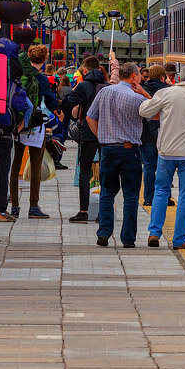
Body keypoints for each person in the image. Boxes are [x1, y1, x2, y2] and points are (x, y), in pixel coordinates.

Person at [139, 64, 185, 250]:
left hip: (166, 152)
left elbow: (144, 111)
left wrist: (152, 101)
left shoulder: (166, 93)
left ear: (179, 78)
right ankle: (180, 240)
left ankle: (154, 233)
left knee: (161, 191)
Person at [84, 62, 151, 247]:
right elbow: (156, 114)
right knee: (130, 195)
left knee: (107, 192)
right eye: (138, 75)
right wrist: (144, 93)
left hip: (107, 149)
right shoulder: (137, 98)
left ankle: (104, 233)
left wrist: (102, 137)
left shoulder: (104, 92)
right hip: (129, 150)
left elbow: (90, 117)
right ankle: (128, 239)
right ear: (133, 76)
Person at [0, 38, 33, 223]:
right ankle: (2, 210)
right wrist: (21, 125)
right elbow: (26, 106)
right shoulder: (14, 85)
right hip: (5, 134)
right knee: (3, 175)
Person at [10, 44, 58, 219]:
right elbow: (51, 103)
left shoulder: (20, 74)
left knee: (15, 165)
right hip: (36, 125)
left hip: (18, 124)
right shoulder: (41, 79)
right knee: (36, 164)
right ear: (44, 59)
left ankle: (14, 206)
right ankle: (33, 206)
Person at [61, 56, 108, 223]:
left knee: (85, 172)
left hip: (88, 134)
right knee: (105, 171)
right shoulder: (107, 87)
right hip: (107, 135)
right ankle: (103, 211)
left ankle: (83, 211)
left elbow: (67, 103)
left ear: (85, 70)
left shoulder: (84, 86)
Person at [139, 64, 171, 207]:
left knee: (149, 167)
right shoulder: (167, 90)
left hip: (146, 133)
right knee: (164, 167)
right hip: (164, 133)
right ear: (163, 76)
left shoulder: (142, 89)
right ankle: (165, 197)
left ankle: (148, 198)